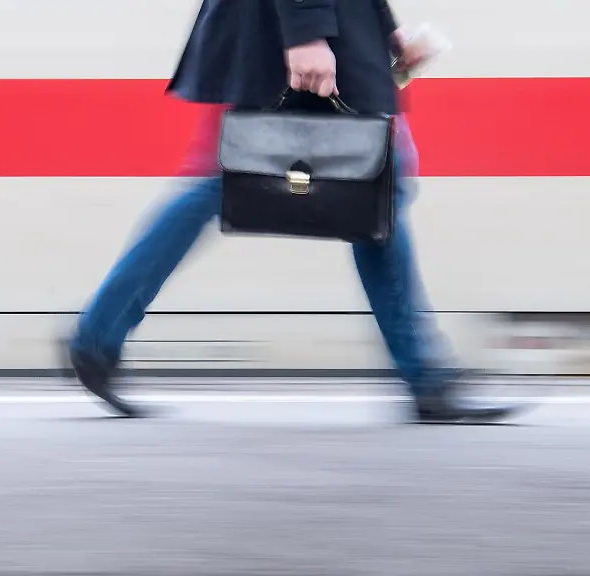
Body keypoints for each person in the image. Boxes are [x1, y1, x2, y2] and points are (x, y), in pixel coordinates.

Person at [63, 0, 522, 424]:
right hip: (295, 24)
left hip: (309, 22)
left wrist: (384, 30)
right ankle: (425, 376)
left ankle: (97, 337)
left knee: (350, 181)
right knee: (369, 178)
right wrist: (305, 34)